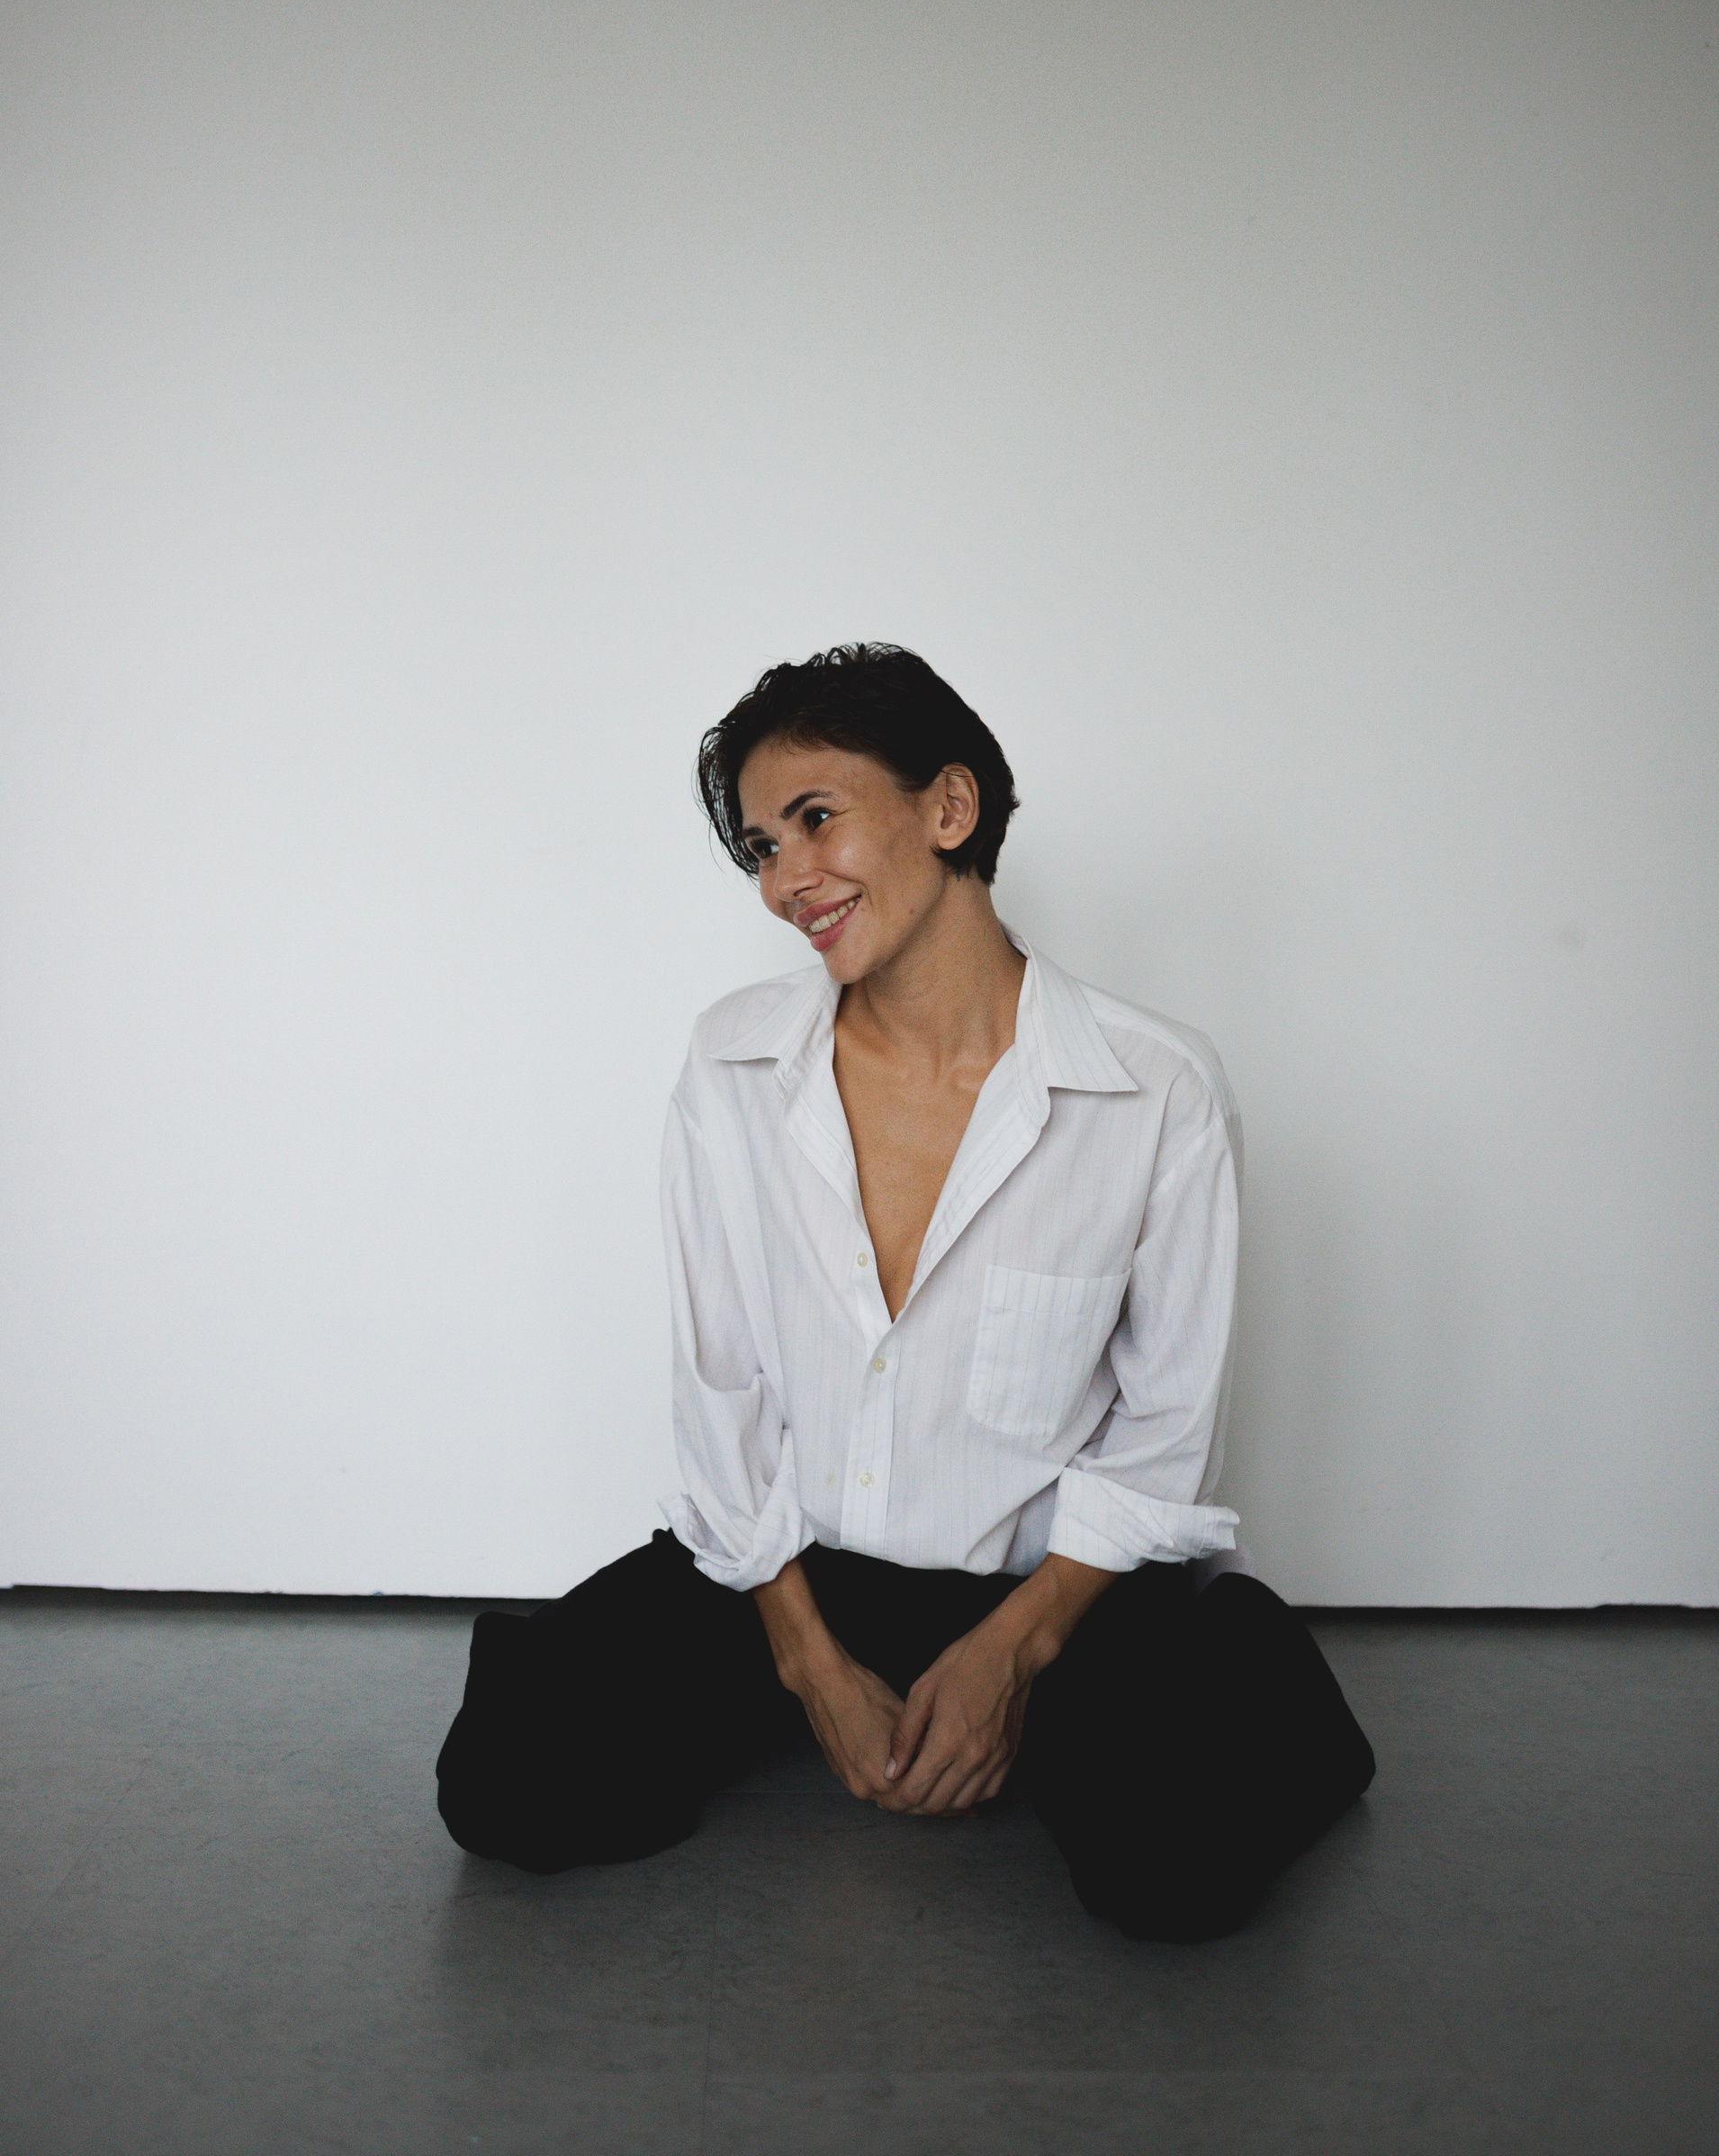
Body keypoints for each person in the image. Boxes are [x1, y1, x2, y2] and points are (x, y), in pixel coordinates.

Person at [436, 644, 1374, 1940]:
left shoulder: (1155, 1090)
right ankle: (837, 1687)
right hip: (795, 1570)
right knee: (505, 1781)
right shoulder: (733, 1064)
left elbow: (1164, 1430)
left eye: (816, 818)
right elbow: (722, 1387)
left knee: (1169, 1874)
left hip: (1054, 1588)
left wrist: (1014, 1655)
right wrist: (809, 1664)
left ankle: (1241, 1656)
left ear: (949, 807)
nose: (786, 880)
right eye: (762, 847)